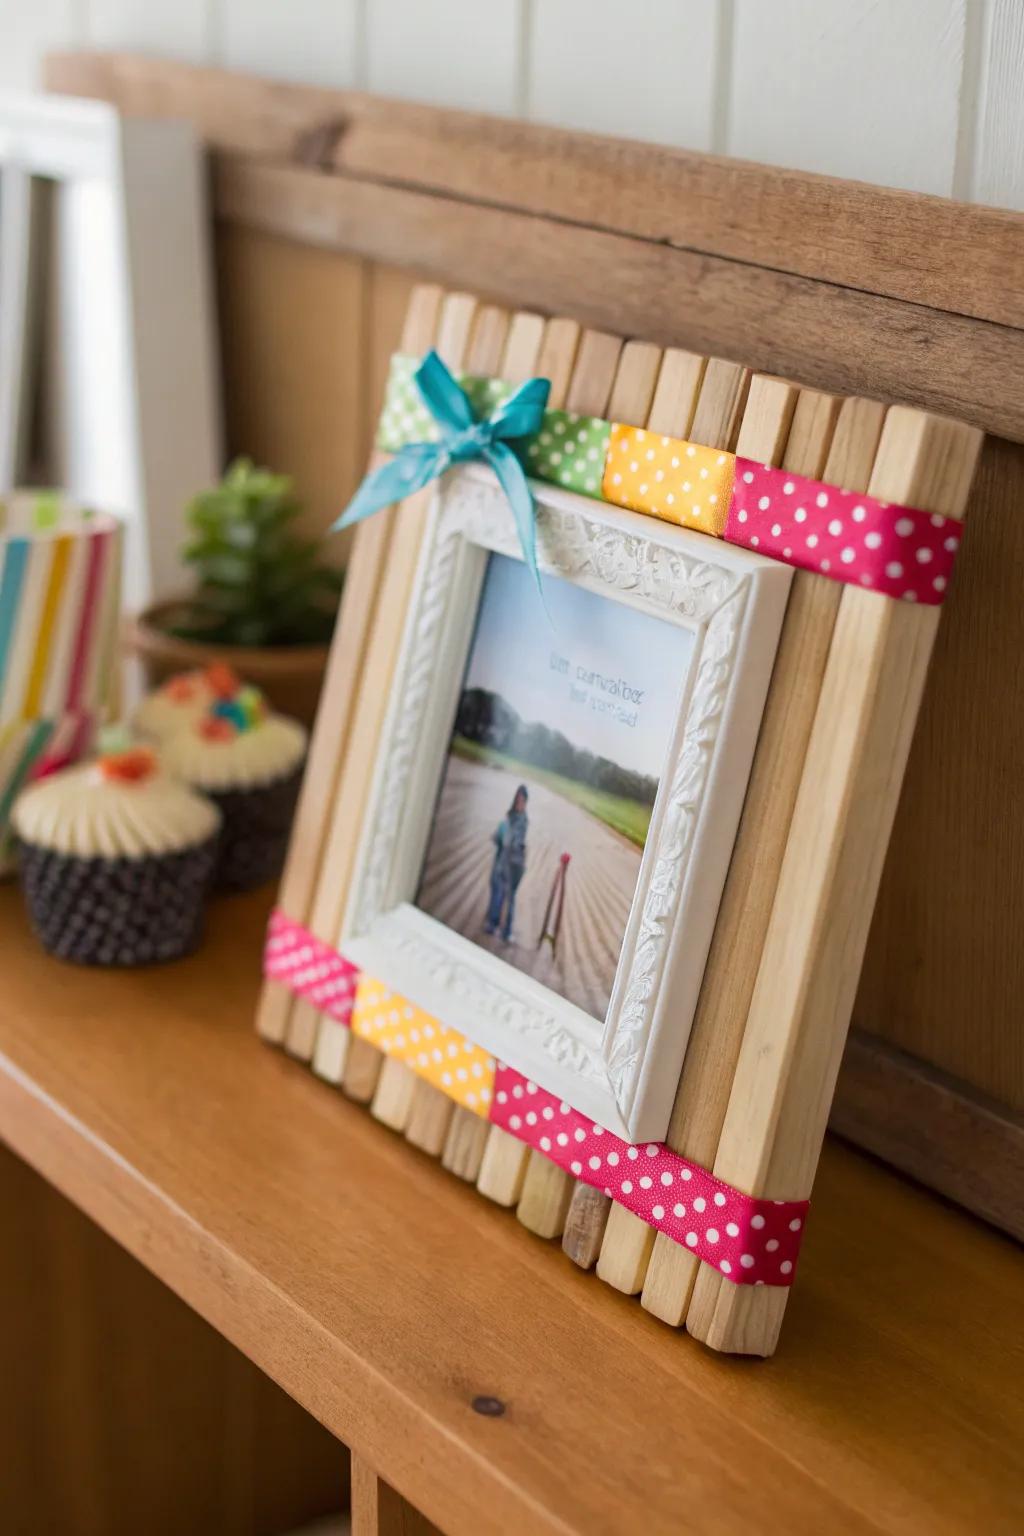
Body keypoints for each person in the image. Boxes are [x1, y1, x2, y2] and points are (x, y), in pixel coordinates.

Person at [484, 785, 528, 943]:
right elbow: (500, 839)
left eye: (523, 801)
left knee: (509, 897)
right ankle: (492, 923)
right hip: (502, 861)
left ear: (525, 802)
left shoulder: (522, 821)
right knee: (496, 890)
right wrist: (500, 835)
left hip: (513, 865)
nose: (520, 803)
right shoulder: (510, 817)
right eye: (518, 800)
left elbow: (513, 843)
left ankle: (505, 930)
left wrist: (505, 837)